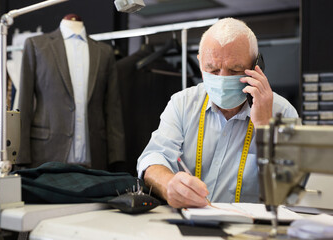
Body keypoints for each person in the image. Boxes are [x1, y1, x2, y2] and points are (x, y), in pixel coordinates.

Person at [136, 17, 298, 208]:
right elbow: (153, 158)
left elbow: (291, 190)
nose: (222, 79)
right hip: (186, 225)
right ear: (199, 63)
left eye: (234, 70)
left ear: (257, 67)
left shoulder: (283, 111)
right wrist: (168, 184)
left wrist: (265, 128)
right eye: (212, 69)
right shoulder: (183, 103)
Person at [17, 14, 125, 171]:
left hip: (95, 159)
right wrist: (21, 157)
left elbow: (113, 110)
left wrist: (117, 159)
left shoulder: (104, 52)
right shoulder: (37, 46)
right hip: (46, 155)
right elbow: (24, 104)